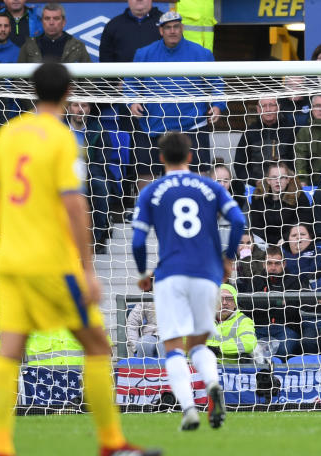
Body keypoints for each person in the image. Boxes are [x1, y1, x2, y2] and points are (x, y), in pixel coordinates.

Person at [0, 62, 160, 456]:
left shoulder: (8, 134)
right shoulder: (62, 138)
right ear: (68, 93)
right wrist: (85, 267)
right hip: (50, 262)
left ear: (32, 92)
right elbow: (74, 203)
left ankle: (1, 449)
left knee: (10, 351)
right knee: (97, 345)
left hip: (9, 259)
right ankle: (111, 444)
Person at [132, 130, 246, 431]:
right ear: (191, 157)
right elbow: (238, 221)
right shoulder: (209, 186)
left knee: (172, 347)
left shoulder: (152, 191)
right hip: (206, 274)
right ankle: (212, 383)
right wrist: (228, 257)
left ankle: (188, 409)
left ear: (160, 158)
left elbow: (137, 241)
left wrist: (144, 273)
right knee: (198, 344)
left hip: (170, 275)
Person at [126, 10, 224, 179]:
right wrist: (132, 101)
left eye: (176, 27)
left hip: (193, 127)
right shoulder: (144, 54)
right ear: (161, 31)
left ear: (182, 28)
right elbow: (130, 82)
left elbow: (216, 83)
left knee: (198, 180)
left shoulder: (201, 54)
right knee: (146, 181)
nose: (173, 31)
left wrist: (217, 105)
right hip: (153, 127)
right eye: (168, 27)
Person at [16, 4, 90, 63]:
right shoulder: (29, 46)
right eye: (47, 18)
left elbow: (89, 77)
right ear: (42, 21)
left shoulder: (77, 46)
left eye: (56, 18)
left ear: (64, 22)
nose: (51, 23)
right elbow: (18, 78)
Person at [99, 0, 164, 63]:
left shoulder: (166, 23)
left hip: (159, 73)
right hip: (122, 73)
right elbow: (105, 58)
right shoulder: (113, 25)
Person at [205, 284, 257, 363]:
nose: (224, 303)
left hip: (228, 371)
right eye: (220, 299)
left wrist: (218, 348)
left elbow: (249, 343)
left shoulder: (243, 320)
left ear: (235, 303)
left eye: (229, 299)